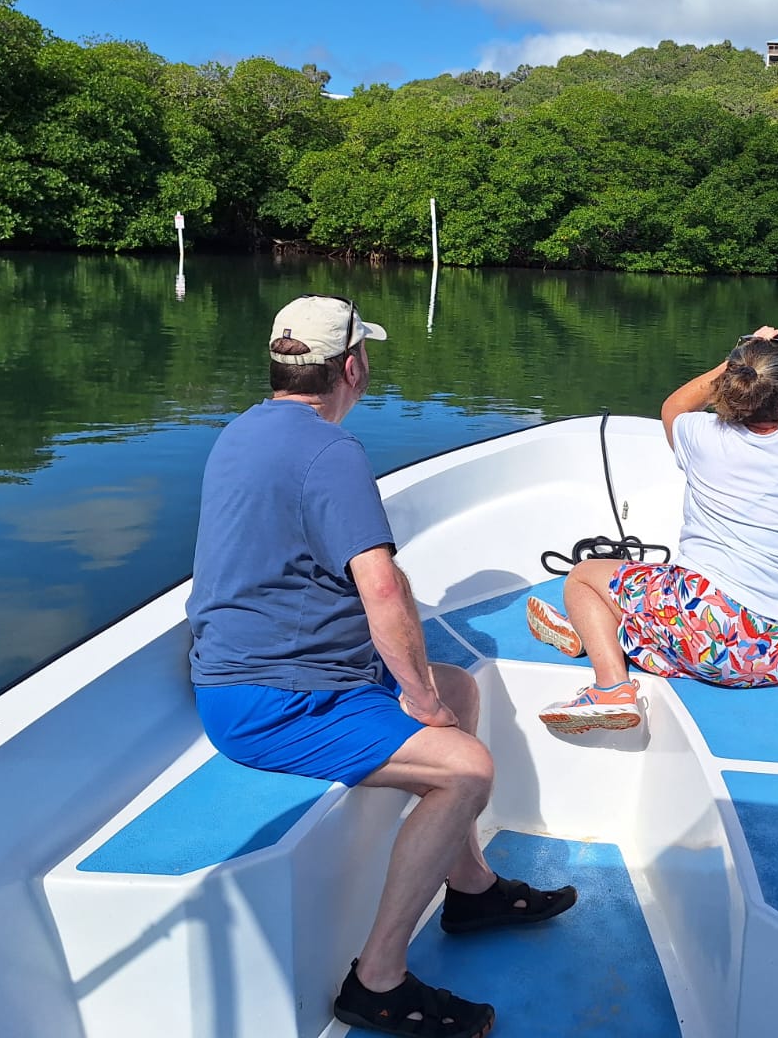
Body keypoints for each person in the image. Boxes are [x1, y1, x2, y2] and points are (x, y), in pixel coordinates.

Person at [187, 294, 575, 1038]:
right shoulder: (331, 452)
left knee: (460, 683)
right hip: (274, 700)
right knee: (465, 766)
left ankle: (471, 888)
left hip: (276, 671)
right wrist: (421, 700)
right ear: (352, 367)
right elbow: (383, 587)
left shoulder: (243, 432)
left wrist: (430, 688)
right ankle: (379, 982)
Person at [530, 327, 778, 734]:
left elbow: (674, 405)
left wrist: (739, 357)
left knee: (584, 577)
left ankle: (611, 687)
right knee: (665, 597)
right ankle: (599, 634)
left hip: (699, 634)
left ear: (732, 388)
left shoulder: (698, 434)